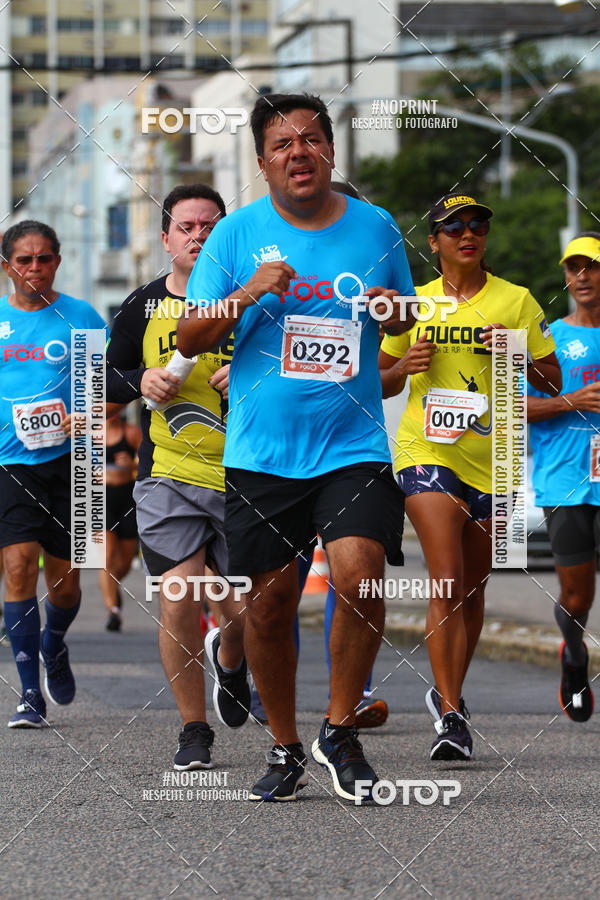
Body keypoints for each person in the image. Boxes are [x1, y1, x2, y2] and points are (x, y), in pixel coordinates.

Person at [178, 92, 413, 802]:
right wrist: (249, 292)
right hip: (263, 453)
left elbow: (403, 314)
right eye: (282, 144)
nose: (298, 152)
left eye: (310, 139)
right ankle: (284, 745)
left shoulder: (376, 226)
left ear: (330, 151)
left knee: (361, 575)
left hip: (353, 444)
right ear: (263, 163)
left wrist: (393, 313)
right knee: (271, 608)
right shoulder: (235, 235)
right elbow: (191, 337)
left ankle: (338, 730)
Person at [379, 193, 561, 760]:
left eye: (477, 225)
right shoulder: (416, 302)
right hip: (427, 450)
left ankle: (446, 693)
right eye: (453, 226)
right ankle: (453, 715)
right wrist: (403, 366)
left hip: (497, 457)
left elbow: (552, 380)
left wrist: (513, 350)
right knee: (447, 578)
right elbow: (380, 380)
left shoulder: (516, 299)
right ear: (433, 241)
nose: (467, 233)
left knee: (474, 588)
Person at [106, 184, 249, 770]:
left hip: (247, 474)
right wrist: (139, 379)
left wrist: (250, 373)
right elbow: (104, 377)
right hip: (168, 474)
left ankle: (231, 661)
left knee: (247, 611)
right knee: (179, 598)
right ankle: (194, 729)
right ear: (166, 239)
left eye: (210, 226)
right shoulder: (141, 305)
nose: (198, 235)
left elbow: (295, 366)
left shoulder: (251, 299)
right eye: (186, 227)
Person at [0, 220, 107, 727]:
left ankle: (54, 642)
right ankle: (28, 693)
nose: (35, 268)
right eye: (24, 260)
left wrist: (84, 416)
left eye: (44, 259)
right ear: (7, 266)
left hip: (73, 464)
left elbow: (108, 389)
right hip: (10, 464)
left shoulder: (82, 317)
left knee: (65, 585)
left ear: (58, 262)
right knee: (19, 566)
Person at [528, 232, 600, 723]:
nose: (582, 276)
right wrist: (569, 401)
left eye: (592, 266)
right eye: (574, 268)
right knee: (578, 597)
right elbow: (515, 406)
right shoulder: (549, 339)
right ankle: (574, 656)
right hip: (566, 482)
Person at [101, 412, 142, 631]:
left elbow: (150, 460)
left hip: (126, 498)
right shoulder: (88, 434)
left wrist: (132, 465)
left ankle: (111, 585)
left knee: (125, 561)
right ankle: (113, 611)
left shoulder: (132, 433)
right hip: (99, 499)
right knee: (106, 556)